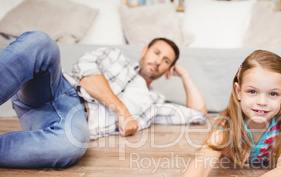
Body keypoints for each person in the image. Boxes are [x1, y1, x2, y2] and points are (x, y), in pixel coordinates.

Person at [0, 31, 207, 168]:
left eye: (166, 61)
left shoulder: (154, 104)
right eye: (156, 52)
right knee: (41, 42)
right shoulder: (114, 56)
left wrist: (185, 75)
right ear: (144, 51)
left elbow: (199, 114)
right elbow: (85, 72)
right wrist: (122, 112)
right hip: (57, 88)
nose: (158, 61)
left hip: (71, 122)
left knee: (73, 143)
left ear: (168, 69)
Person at [152, 50, 281, 177]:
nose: (262, 101)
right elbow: (201, 165)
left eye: (273, 94)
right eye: (252, 91)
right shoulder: (226, 125)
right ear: (238, 91)